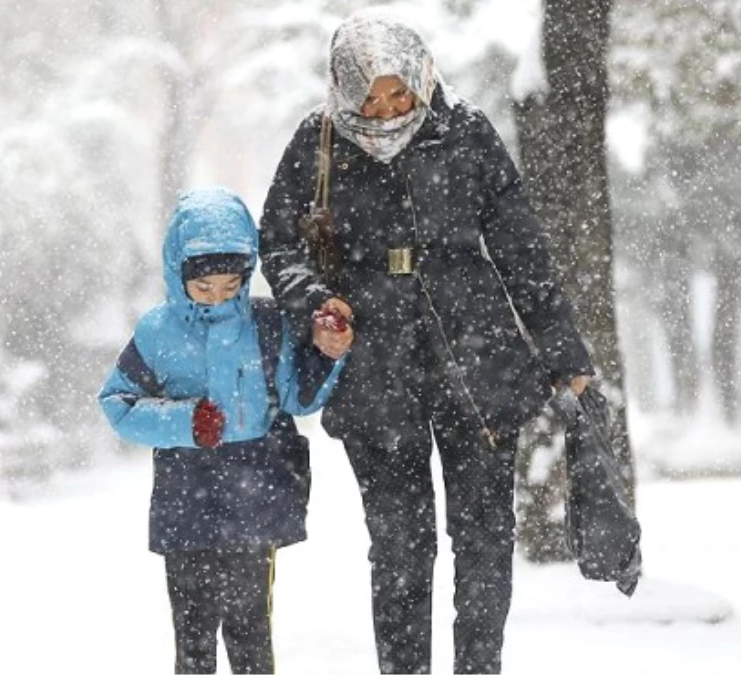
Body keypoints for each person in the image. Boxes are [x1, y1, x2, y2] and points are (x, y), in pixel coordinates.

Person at [258, 11, 593, 675]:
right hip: (373, 369)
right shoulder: (317, 142)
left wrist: (565, 356)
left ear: (419, 75)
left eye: (397, 93)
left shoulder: (465, 132)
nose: (385, 111)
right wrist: (316, 302)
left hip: (479, 361)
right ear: (342, 89)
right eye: (369, 98)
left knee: (484, 539)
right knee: (400, 547)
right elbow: (280, 241)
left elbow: (522, 250)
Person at [98, 187, 346, 674]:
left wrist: (329, 355)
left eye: (231, 285)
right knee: (193, 632)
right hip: (186, 494)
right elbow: (118, 404)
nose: (218, 297)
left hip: (256, 493)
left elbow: (298, 398)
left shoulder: (267, 323)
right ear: (178, 273)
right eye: (204, 287)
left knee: (251, 626)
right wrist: (185, 421)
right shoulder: (157, 332)